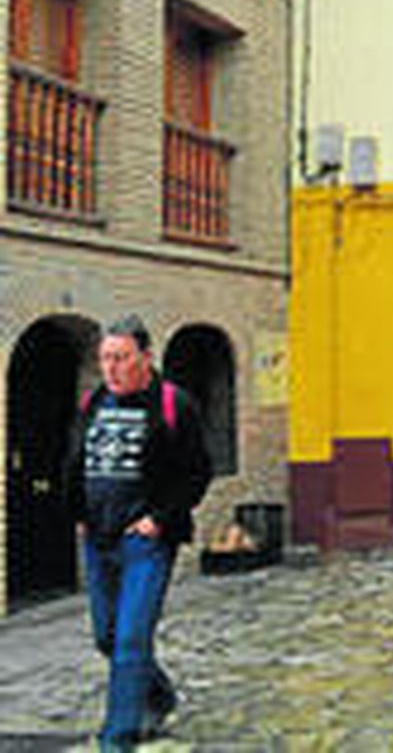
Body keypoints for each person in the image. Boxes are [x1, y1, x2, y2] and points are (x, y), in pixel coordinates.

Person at [64, 315, 212, 750]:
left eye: (121, 358)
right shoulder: (94, 402)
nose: (111, 368)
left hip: (145, 541)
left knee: (131, 637)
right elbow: (76, 459)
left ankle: (118, 736)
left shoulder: (173, 404)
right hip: (98, 537)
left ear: (146, 358)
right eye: (105, 358)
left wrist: (159, 519)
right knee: (107, 636)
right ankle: (159, 694)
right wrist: (77, 511)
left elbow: (196, 472)